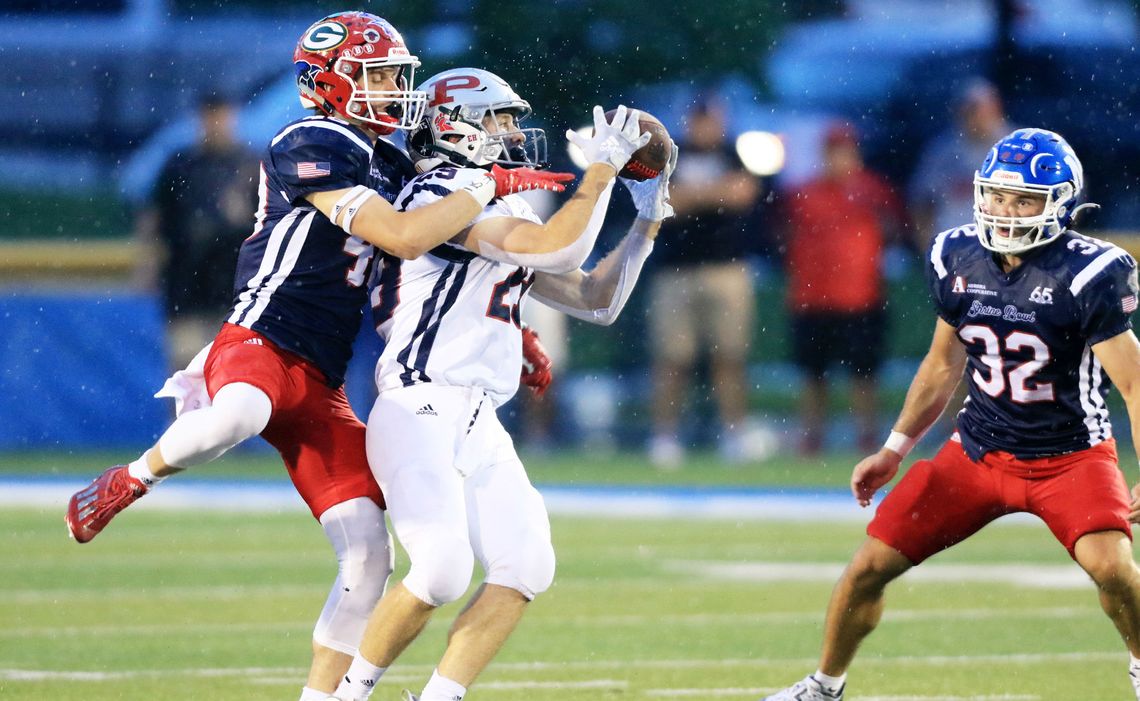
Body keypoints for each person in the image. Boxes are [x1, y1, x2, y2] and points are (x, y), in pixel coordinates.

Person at [65, 13, 570, 701]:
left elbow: (430, 271)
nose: (396, 89)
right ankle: (127, 479)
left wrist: (516, 328)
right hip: (263, 338)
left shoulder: (393, 162)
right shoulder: (313, 140)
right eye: (382, 75)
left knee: (369, 553)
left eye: (398, 75)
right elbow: (402, 234)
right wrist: (484, 186)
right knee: (237, 411)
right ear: (332, 82)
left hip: (322, 379)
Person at [327, 68, 675, 701]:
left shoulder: (496, 201)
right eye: (500, 118)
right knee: (439, 571)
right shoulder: (440, 192)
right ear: (457, 124)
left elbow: (596, 299)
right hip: (420, 402)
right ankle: (346, 695)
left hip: (475, 414)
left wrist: (647, 215)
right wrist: (601, 171)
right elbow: (556, 250)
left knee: (527, 564)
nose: (514, 131)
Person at [762, 128, 1140, 701]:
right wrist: (894, 448)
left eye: (1024, 200)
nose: (1006, 212)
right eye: (997, 196)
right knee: (868, 566)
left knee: (1113, 569)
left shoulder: (1089, 273)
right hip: (978, 452)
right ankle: (824, 686)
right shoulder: (956, 253)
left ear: (1060, 203)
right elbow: (943, 364)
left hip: (1071, 457)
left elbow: (1134, 382)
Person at [646, 95, 762, 468]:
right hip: (675, 271)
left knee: (729, 356)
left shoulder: (734, 153)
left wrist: (693, 198)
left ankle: (734, 432)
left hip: (726, 268)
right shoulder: (670, 154)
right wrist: (716, 195)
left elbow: (743, 194)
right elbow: (663, 201)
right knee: (671, 359)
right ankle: (664, 436)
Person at [781, 123, 909, 455]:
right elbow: (785, 237)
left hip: (860, 297)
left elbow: (895, 231)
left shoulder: (873, 190)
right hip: (813, 298)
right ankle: (811, 440)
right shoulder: (804, 194)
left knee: (863, 374)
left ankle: (866, 438)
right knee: (813, 376)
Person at [134, 93, 259, 370]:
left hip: (234, 283)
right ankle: (185, 416)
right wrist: (148, 261)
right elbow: (154, 216)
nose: (216, 122)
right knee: (186, 369)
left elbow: (271, 225)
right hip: (186, 281)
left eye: (222, 114)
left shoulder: (250, 165)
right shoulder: (181, 165)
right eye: (210, 115)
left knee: (231, 371)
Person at [908, 77, 1011, 249]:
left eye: (980, 109)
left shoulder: (1020, 146)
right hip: (955, 251)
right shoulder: (941, 152)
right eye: (970, 110)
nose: (976, 117)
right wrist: (927, 245)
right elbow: (922, 202)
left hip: (1005, 251)